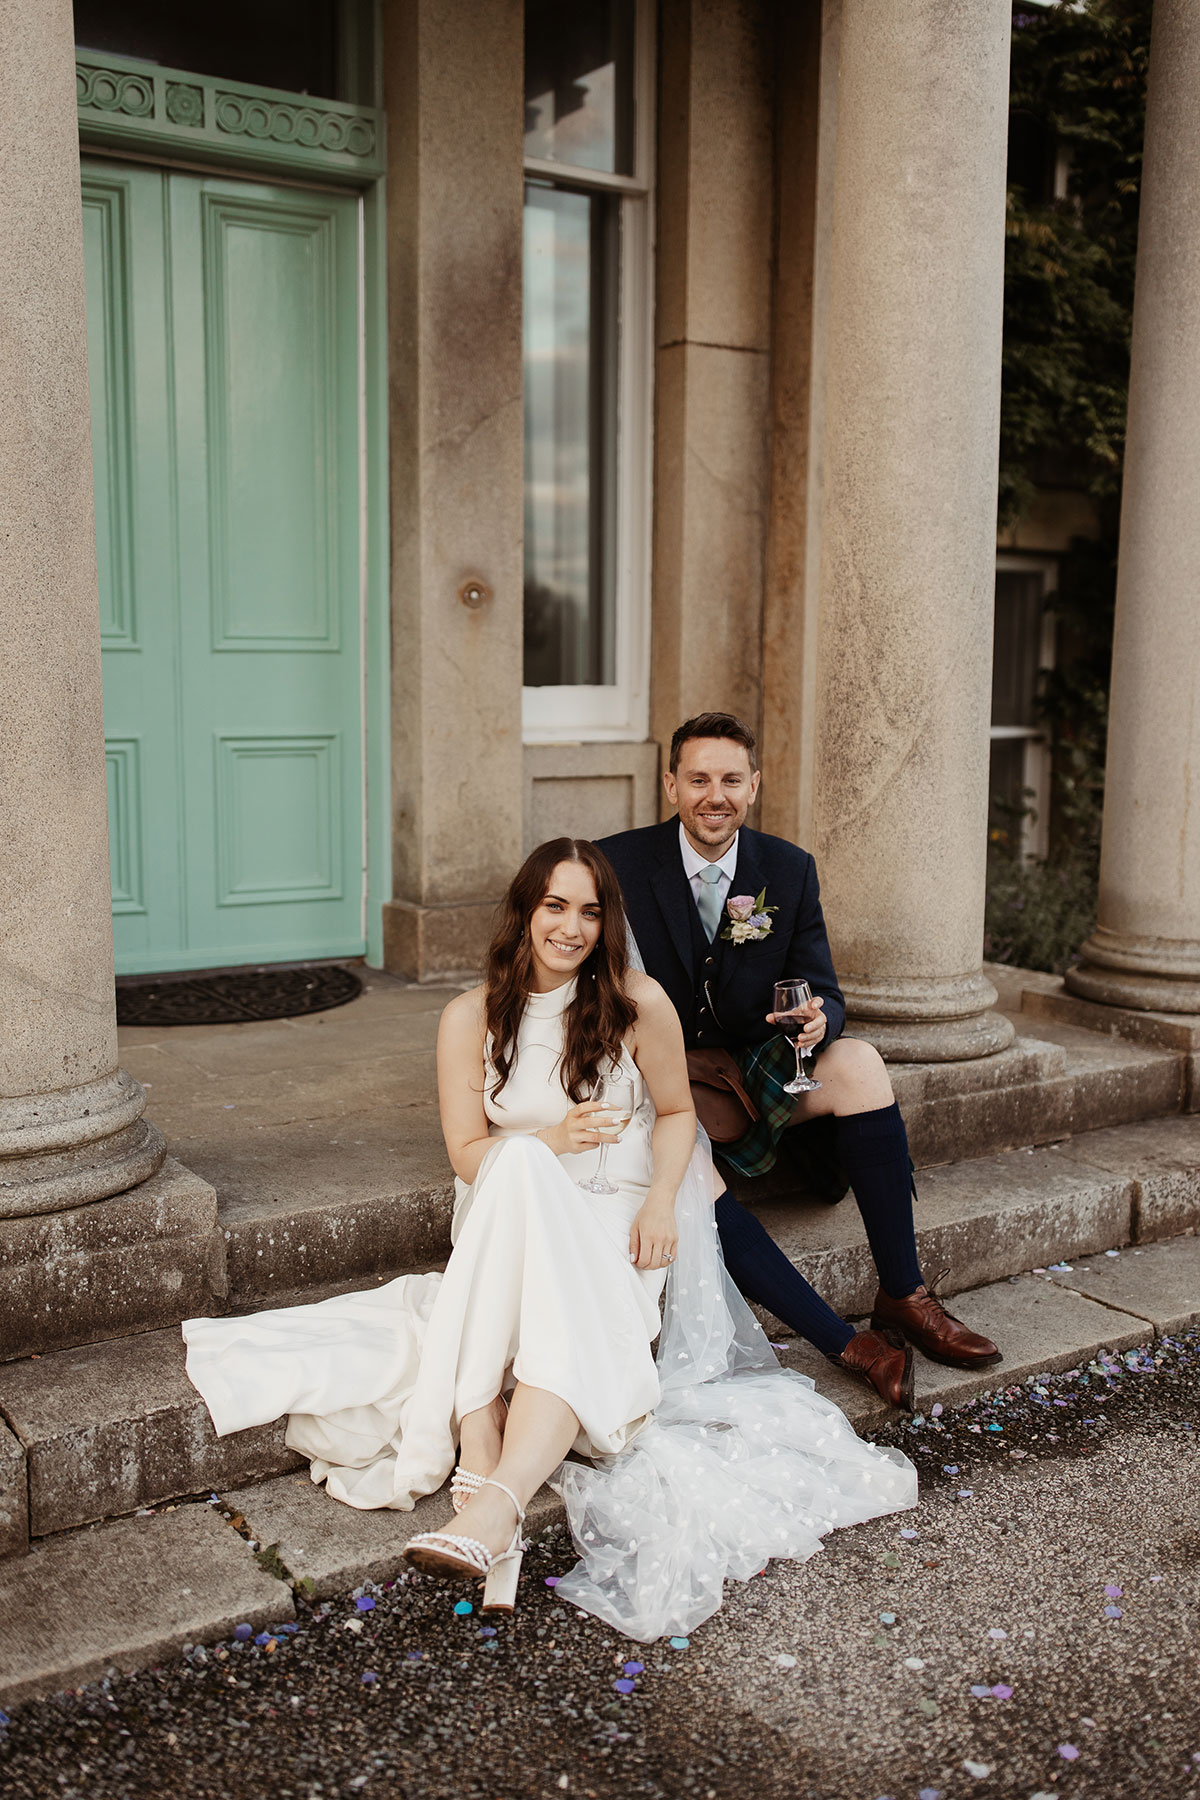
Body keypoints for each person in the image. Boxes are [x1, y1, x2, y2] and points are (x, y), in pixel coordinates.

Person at [182, 838, 916, 1639]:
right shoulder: (469, 1017)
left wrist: (663, 1203)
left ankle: (489, 1482)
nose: (571, 927)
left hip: (615, 1216)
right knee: (523, 1169)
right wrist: (552, 1142)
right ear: (525, 912)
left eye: (591, 912)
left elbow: (675, 1114)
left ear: (608, 924)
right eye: (555, 906)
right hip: (512, 1209)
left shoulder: (639, 1002)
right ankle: (491, 1473)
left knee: (562, 1302)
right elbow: (468, 1154)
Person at [598, 712, 1001, 1409]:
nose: (714, 795)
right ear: (670, 785)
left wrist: (819, 1021)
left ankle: (904, 1295)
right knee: (684, 1169)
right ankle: (847, 1344)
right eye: (697, 779)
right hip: (656, 1082)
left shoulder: (787, 868)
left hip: (747, 1073)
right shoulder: (616, 862)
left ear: (753, 786)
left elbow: (828, 991)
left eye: (730, 779)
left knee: (862, 1062)